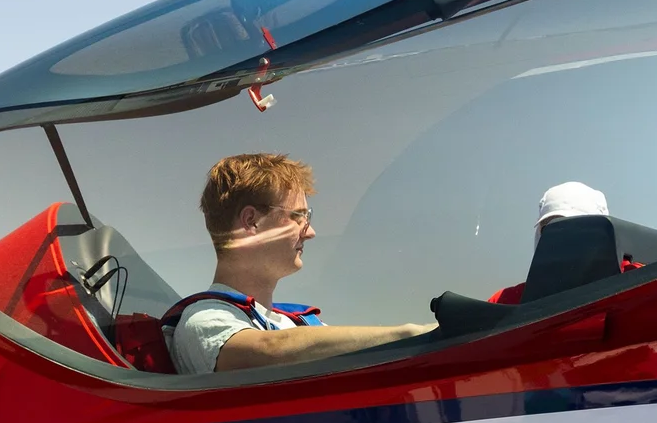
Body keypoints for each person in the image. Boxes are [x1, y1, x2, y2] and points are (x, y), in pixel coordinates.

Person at [169, 153, 434, 374]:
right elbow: (270, 350)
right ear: (251, 221)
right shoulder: (205, 320)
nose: (310, 232)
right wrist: (415, 335)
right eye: (298, 217)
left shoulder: (293, 325)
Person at [488, 181, 610, 305]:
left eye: (573, 229)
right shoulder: (505, 303)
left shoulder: (628, 287)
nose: (559, 239)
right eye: (549, 229)